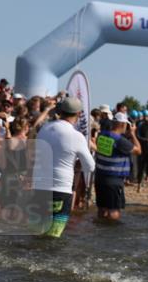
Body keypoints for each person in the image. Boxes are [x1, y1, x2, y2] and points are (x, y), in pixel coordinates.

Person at [31, 97, 95, 238]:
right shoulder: (76, 136)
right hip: (60, 189)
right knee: (53, 236)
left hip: (39, 187)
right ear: (78, 114)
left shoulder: (44, 129)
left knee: (36, 234)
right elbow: (90, 166)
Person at [94, 112, 141, 221]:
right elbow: (138, 150)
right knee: (113, 211)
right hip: (114, 181)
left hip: (100, 177)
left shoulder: (102, 135)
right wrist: (133, 134)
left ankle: (100, 231)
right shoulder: (120, 141)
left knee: (102, 209)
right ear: (123, 124)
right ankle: (112, 235)